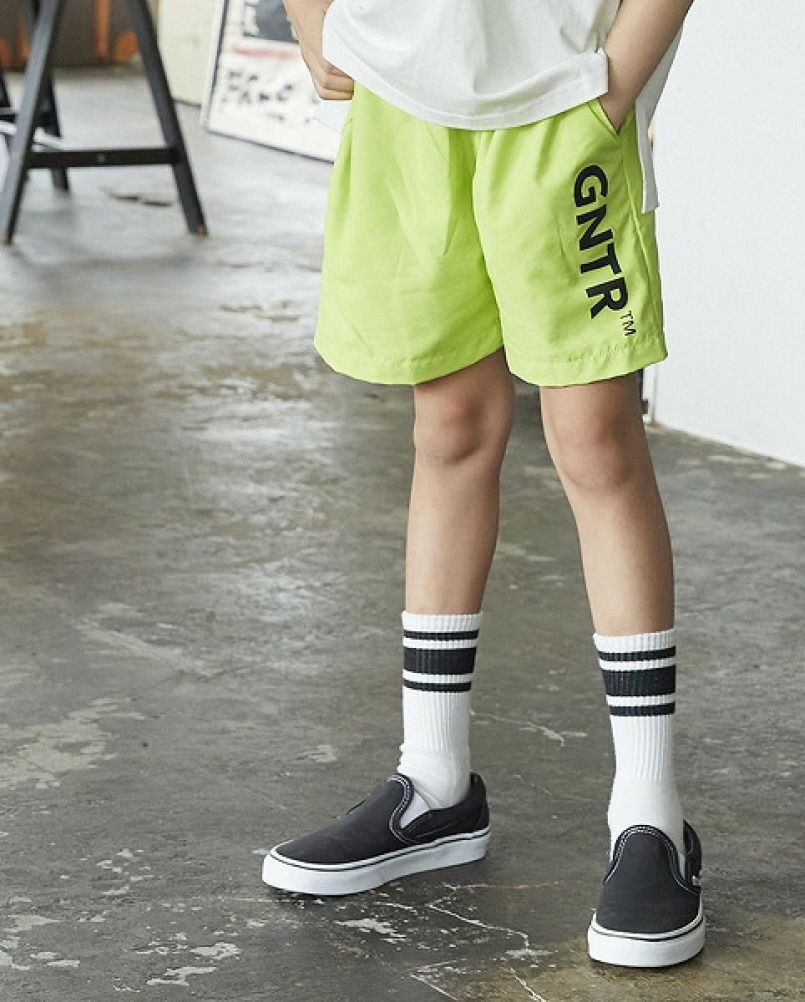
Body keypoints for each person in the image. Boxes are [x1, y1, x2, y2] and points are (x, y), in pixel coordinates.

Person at [262, 0, 703, 968]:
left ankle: (652, 815)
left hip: (563, 91)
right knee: (450, 428)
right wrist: (310, 16)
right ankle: (433, 783)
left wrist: (616, 82)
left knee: (594, 440)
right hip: (404, 92)